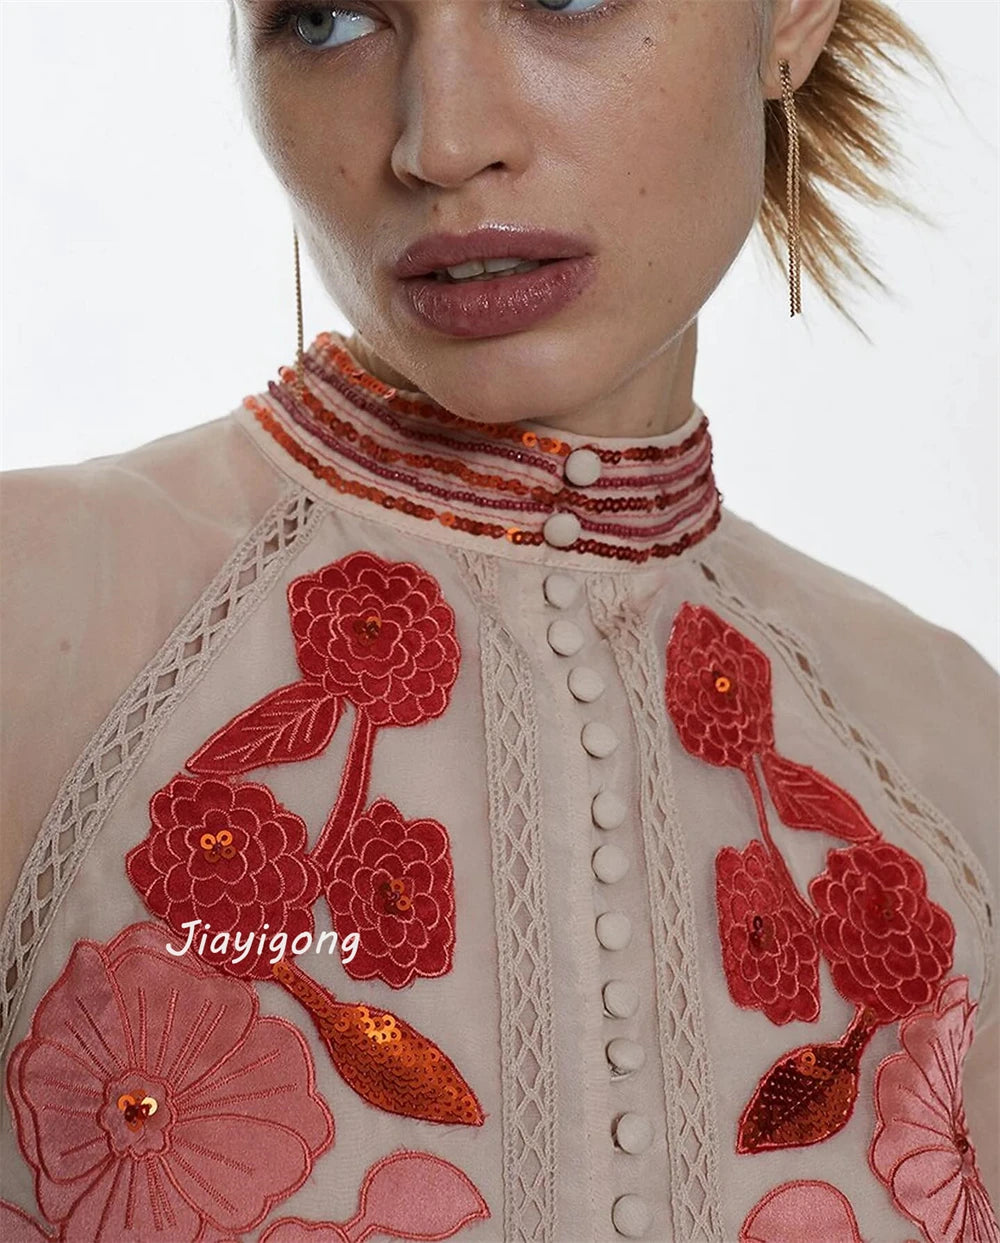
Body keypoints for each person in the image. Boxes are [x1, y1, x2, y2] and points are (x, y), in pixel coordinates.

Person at [1, 1, 997, 1240]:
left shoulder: (962, 763)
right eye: (325, 18)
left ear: (789, 17)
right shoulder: (26, 622)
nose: (441, 139)